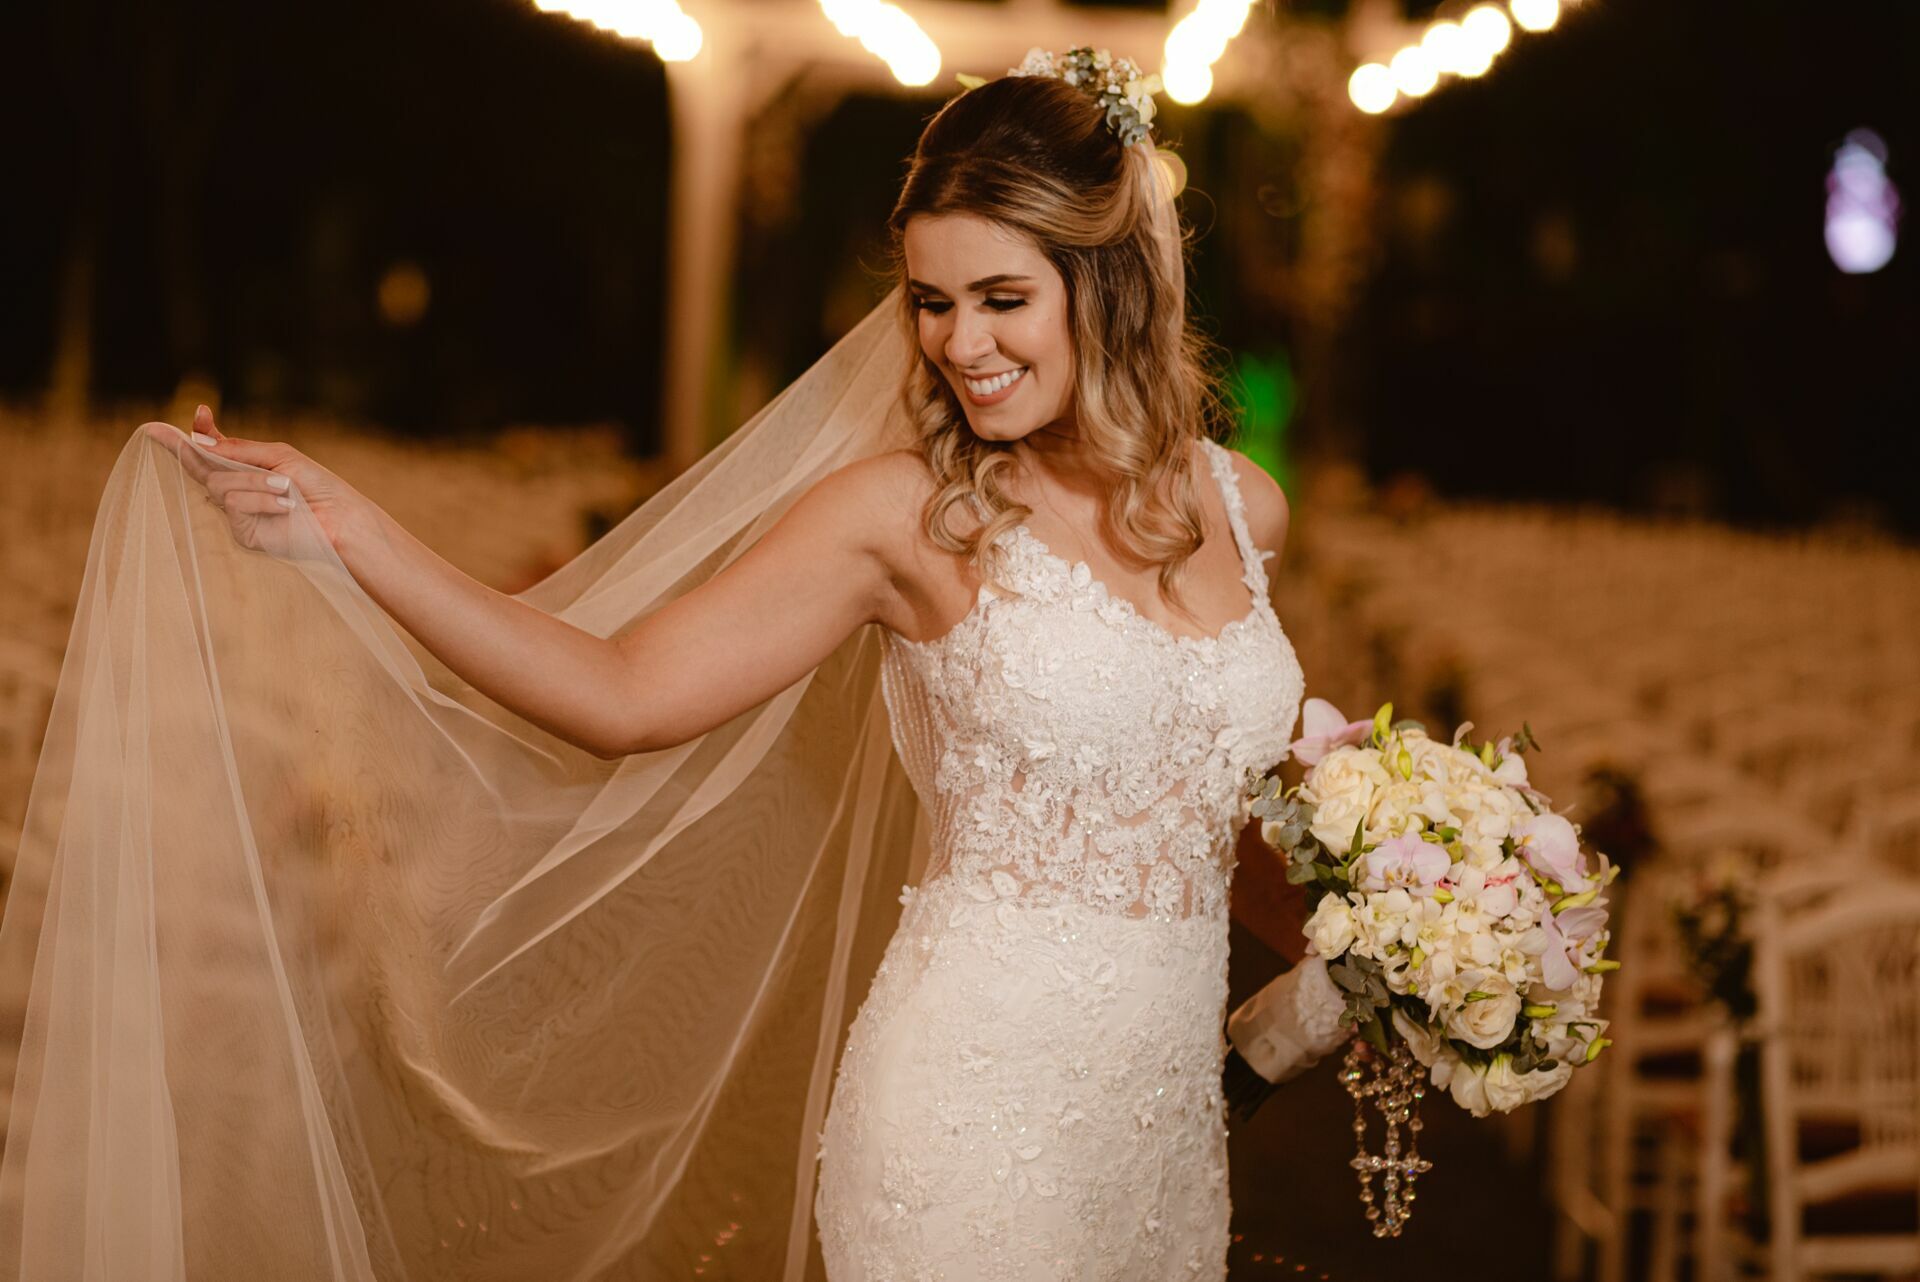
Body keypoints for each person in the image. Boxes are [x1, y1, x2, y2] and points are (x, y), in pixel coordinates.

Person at [0, 48, 1346, 1282]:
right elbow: (622, 693)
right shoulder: (910, 517)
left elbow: (1198, 806)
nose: (960, 344)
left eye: (1004, 299)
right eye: (934, 302)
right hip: (969, 1129)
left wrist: (1390, 910)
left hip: (1165, 1136)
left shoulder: (1244, 508)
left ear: (1110, 285)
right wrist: (352, 533)